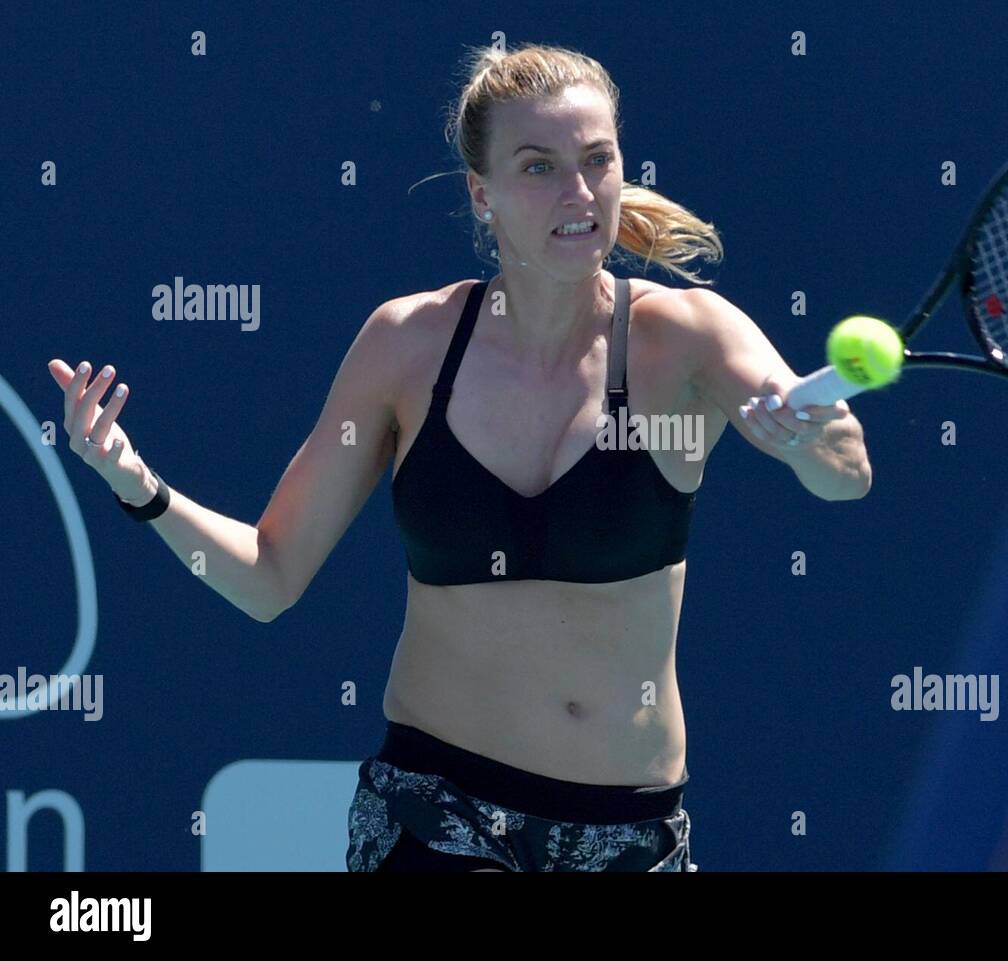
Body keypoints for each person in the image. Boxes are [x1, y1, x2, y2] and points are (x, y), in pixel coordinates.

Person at [46, 42, 872, 872]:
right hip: (437, 813)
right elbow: (269, 575)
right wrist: (138, 484)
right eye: (539, 167)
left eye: (597, 160)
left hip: (632, 833)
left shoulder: (688, 338)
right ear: (482, 194)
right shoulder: (405, 346)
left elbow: (846, 471)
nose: (578, 192)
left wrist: (810, 442)